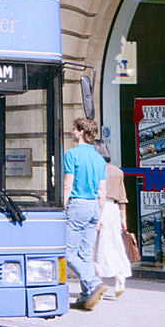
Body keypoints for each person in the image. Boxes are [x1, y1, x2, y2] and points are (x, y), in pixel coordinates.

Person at [63, 118, 108, 310]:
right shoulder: (99, 158)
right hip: (94, 207)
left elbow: (67, 185)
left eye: (74, 129)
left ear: (81, 132)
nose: (72, 132)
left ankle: (93, 283)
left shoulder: (71, 155)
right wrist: (100, 215)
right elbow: (103, 191)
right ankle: (85, 296)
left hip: (78, 205)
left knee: (68, 251)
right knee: (85, 254)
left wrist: (62, 208)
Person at [92, 140, 132, 297]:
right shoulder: (117, 171)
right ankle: (120, 273)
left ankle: (97, 284)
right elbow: (122, 198)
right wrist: (124, 220)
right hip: (114, 210)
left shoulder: (95, 169)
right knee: (115, 244)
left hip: (98, 207)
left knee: (96, 248)